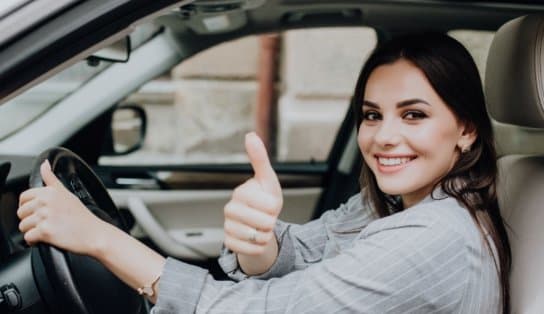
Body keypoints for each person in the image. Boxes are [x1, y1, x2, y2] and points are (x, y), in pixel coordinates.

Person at [16, 32, 511, 313]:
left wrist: (101, 239)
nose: (383, 138)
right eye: (372, 114)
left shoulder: (433, 237)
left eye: (414, 115)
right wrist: (261, 246)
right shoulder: (403, 200)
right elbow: (307, 248)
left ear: (465, 129)